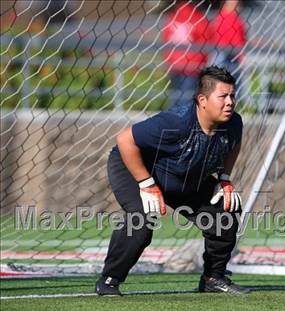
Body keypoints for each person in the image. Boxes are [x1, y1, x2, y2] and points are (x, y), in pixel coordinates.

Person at [95, 66, 250, 295]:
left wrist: (224, 179)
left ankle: (212, 278)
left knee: (225, 213)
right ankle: (109, 280)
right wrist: (146, 183)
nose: (229, 102)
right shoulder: (176, 122)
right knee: (142, 220)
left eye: (232, 96)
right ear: (202, 100)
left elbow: (233, 145)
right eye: (223, 96)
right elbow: (125, 141)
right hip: (137, 169)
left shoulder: (233, 123)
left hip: (183, 177)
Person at [162, 1, 212, 107]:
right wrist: (203, 61)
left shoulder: (172, 18)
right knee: (187, 99)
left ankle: (173, 121)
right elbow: (206, 41)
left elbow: (166, 39)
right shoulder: (198, 18)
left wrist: (168, 59)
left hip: (174, 64)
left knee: (175, 97)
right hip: (192, 66)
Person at [210, 0, 246, 102]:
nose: (237, 5)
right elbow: (236, 39)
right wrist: (241, 55)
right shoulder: (228, 18)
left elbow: (239, 38)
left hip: (226, 53)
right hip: (226, 53)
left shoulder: (224, 17)